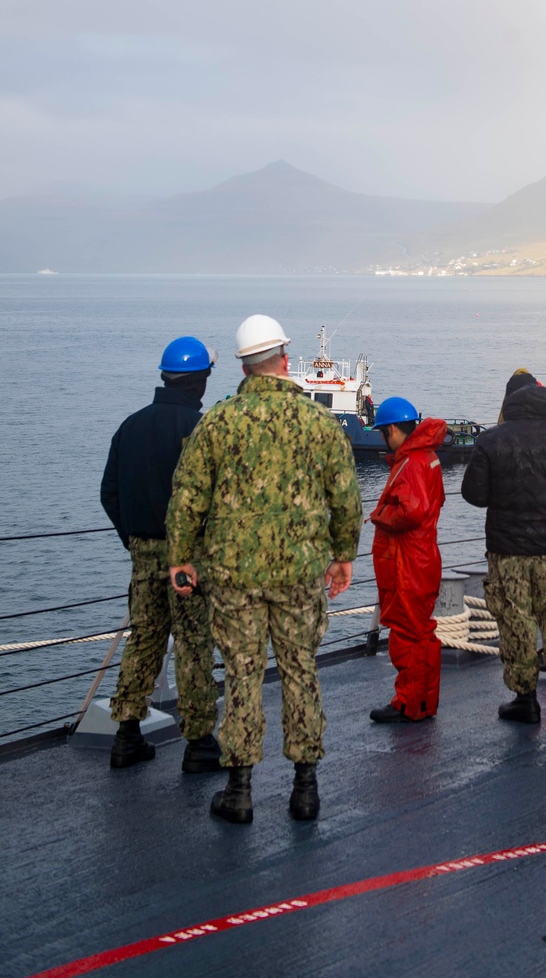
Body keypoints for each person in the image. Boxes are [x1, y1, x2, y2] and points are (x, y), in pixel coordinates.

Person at [167, 315, 362, 825]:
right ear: (282, 359)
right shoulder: (319, 423)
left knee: (242, 673)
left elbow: (187, 498)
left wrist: (180, 558)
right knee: (300, 670)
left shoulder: (218, 422)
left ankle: (240, 790)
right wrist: (343, 556)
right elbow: (345, 498)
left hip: (234, 577)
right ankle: (305, 788)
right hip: (300, 573)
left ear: (243, 366)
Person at [99, 336, 221, 773]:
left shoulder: (129, 426)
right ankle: (200, 743)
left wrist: (134, 542)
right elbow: (216, 502)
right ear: (198, 383)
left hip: (142, 554)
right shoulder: (201, 430)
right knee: (192, 644)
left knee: (144, 640)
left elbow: (108, 493)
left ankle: (126, 735)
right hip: (187, 560)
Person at [462, 380, 546, 724]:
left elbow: (474, 495)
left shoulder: (492, 439)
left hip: (507, 549)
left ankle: (525, 699)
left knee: (516, 620)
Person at [368, 397, 446, 725]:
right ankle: (424, 701)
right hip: (422, 556)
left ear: (393, 430)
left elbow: (410, 511)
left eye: (384, 433)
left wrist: (379, 514)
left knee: (406, 634)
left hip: (407, 562)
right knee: (423, 632)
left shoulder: (411, 463)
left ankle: (409, 704)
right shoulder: (428, 458)